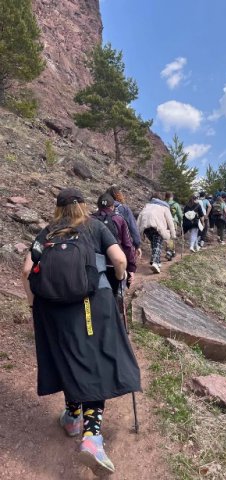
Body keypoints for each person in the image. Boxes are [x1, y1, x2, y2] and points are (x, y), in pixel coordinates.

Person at [22, 188, 141, 477]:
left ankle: (73, 417)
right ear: (83, 206)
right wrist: (121, 278)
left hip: (52, 307)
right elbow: (120, 260)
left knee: (67, 356)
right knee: (94, 362)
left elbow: (26, 270)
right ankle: (92, 437)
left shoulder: (47, 232)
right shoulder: (95, 226)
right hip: (92, 303)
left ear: (58, 208)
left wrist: (33, 303)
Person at [92, 193, 137, 294]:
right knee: (117, 294)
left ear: (98, 206)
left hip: (95, 265)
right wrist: (131, 268)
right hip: (115, 264)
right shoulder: (119, 219)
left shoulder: (90, 220)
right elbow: (127, 245)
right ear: (112, 206)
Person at [137, 192, 176, 273]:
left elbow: (140, 217)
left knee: (154, 244)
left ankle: (157, 262)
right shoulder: (164, 206)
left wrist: (137, 231)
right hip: (157, 226)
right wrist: (173, 234)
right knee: (157, 244)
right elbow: (170, 221)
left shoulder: (147, 205)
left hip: (146, 227)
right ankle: (155, 262)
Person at [106, 186, 142, 259]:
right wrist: (137, 244)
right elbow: (132, 227)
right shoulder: (123, 208)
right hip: (121, 242)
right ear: (118, 195)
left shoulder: (102, 208)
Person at [164, 191, 183, 260]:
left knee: (167, 237)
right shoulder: (176, 204)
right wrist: (181, 222)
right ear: (172, 197)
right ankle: (169, 252)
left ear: (165, 197)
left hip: (164, 222)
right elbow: (180, 215)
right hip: (173, 222)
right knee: (171, 237)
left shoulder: (163, 204)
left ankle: (172, 251)